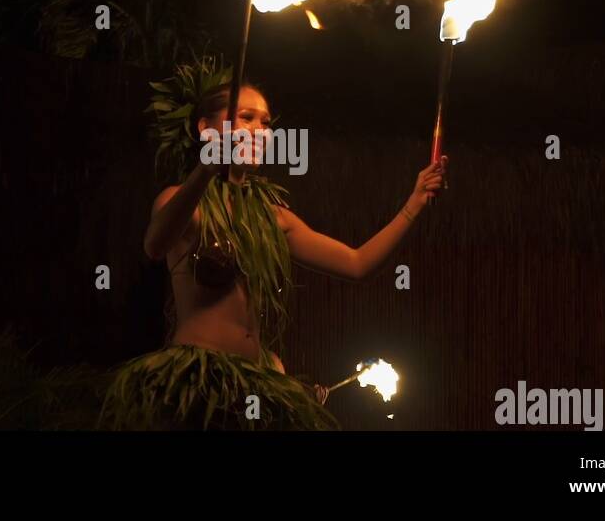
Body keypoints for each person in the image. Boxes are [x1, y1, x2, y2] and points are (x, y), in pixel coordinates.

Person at [97, 58, 445, 430]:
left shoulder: (272, 218)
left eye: (265, 122)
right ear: (205, 128)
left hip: (258, 382)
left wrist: (415, 202)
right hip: (201, 384)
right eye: (246, 117)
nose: (259, 130)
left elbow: (357, 264)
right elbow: (155, 244)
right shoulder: (183, 202)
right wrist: (207, 169)